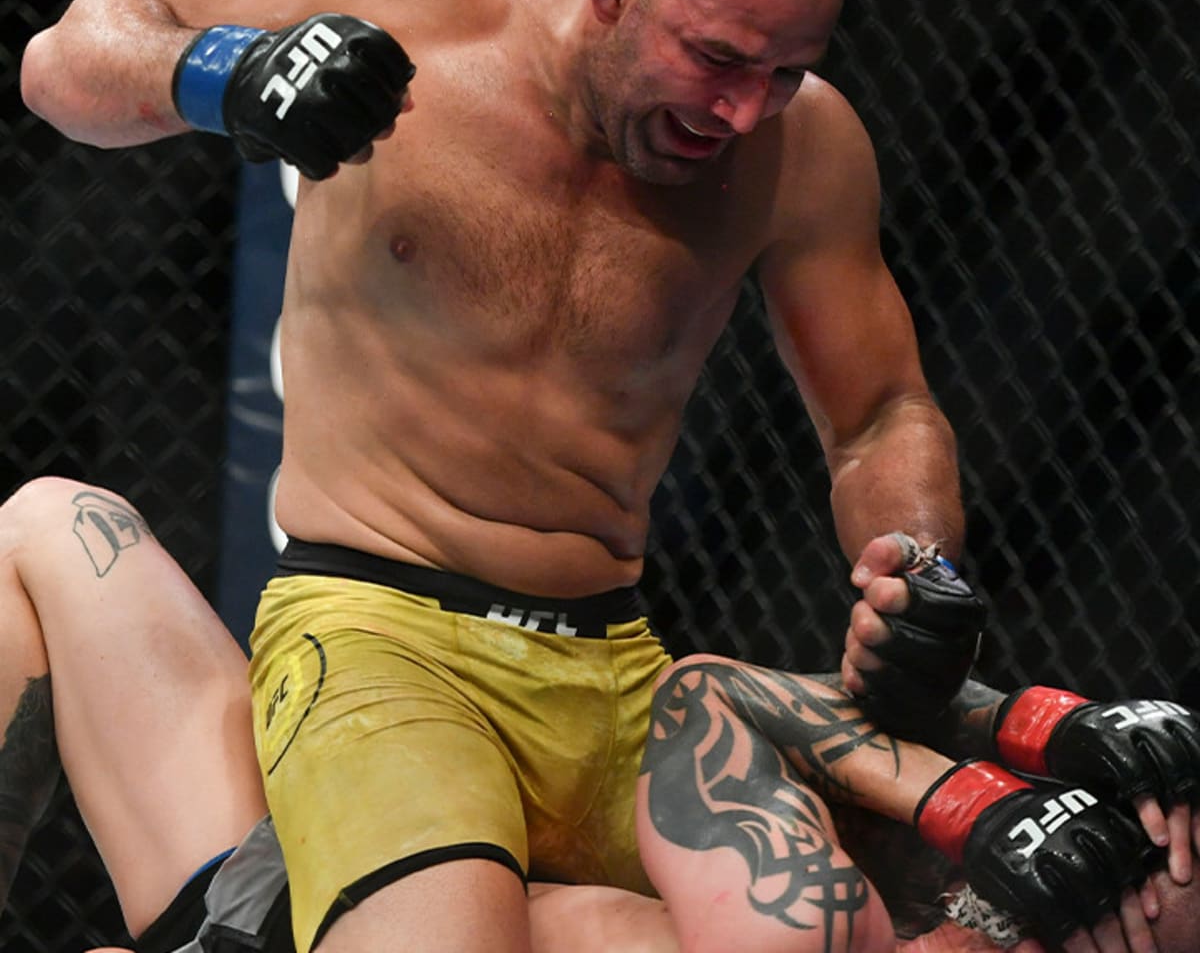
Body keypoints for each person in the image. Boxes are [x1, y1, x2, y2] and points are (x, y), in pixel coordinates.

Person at [9, 0, 1133, 951]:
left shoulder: (802, 151)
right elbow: (66, 61)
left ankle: (267, 922)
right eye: (718, 58)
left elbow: (881, 413)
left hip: (618, 675)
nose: (744, 111)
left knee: (1035, 901)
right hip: (379, 631)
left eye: (783, 72)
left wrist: (919, 566)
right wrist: (233, 73)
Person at [3, 476, 1198, 953]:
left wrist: (974, 801)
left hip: (293, 928)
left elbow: (704, 704)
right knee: (51, 524)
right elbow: (761, 703)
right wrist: (1036, 738)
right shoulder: (959, 886)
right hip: (302, 872)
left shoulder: (811, 934)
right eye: (1155, 837)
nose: (1150, 854)